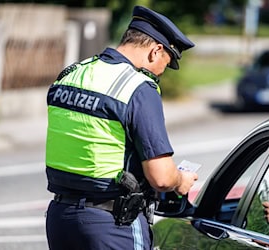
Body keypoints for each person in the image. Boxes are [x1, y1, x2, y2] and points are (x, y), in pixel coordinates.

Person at [45, 5, 198, 250]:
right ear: (155, 51)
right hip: (112, 225)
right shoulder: (138, 89)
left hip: (61, 219)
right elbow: (161, 177)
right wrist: (180, 181)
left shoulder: (72, 74)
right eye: (165, 64)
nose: (160, 74)